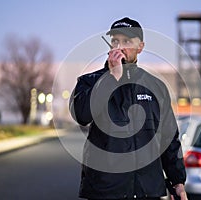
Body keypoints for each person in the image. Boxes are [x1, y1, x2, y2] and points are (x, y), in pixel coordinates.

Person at [69, 17, 188, 200]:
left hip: (147, 191)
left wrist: (177, 182)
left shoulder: (155, 86)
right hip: (105, 191)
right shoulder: (89, 81)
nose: (119, 46)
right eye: (115, 41)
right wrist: (111, 78)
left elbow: (169, 138)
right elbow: (81, 115)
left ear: (140, 47)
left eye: (127, 41)